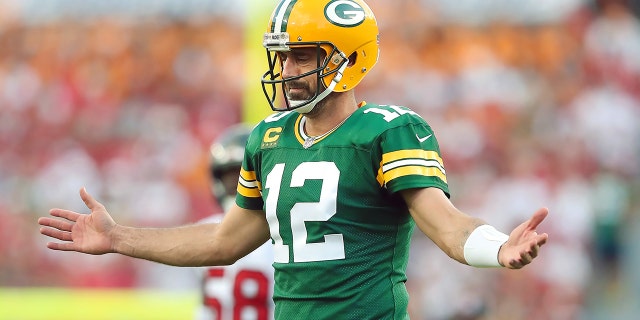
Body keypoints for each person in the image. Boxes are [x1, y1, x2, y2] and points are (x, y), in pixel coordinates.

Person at [38, 0, 549, 319]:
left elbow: (448, 226)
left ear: (349, 58)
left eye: (302, 55)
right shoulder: (267, 137)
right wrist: (119, 238)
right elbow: (223, 240)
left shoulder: (389, 130)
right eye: (282, 56)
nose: (287, 69)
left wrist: (498, 248)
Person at [195, 124, 274, 320]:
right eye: (230, 177)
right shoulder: (283, 232)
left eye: (242, 177)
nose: (235, 185)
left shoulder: (204, 231)